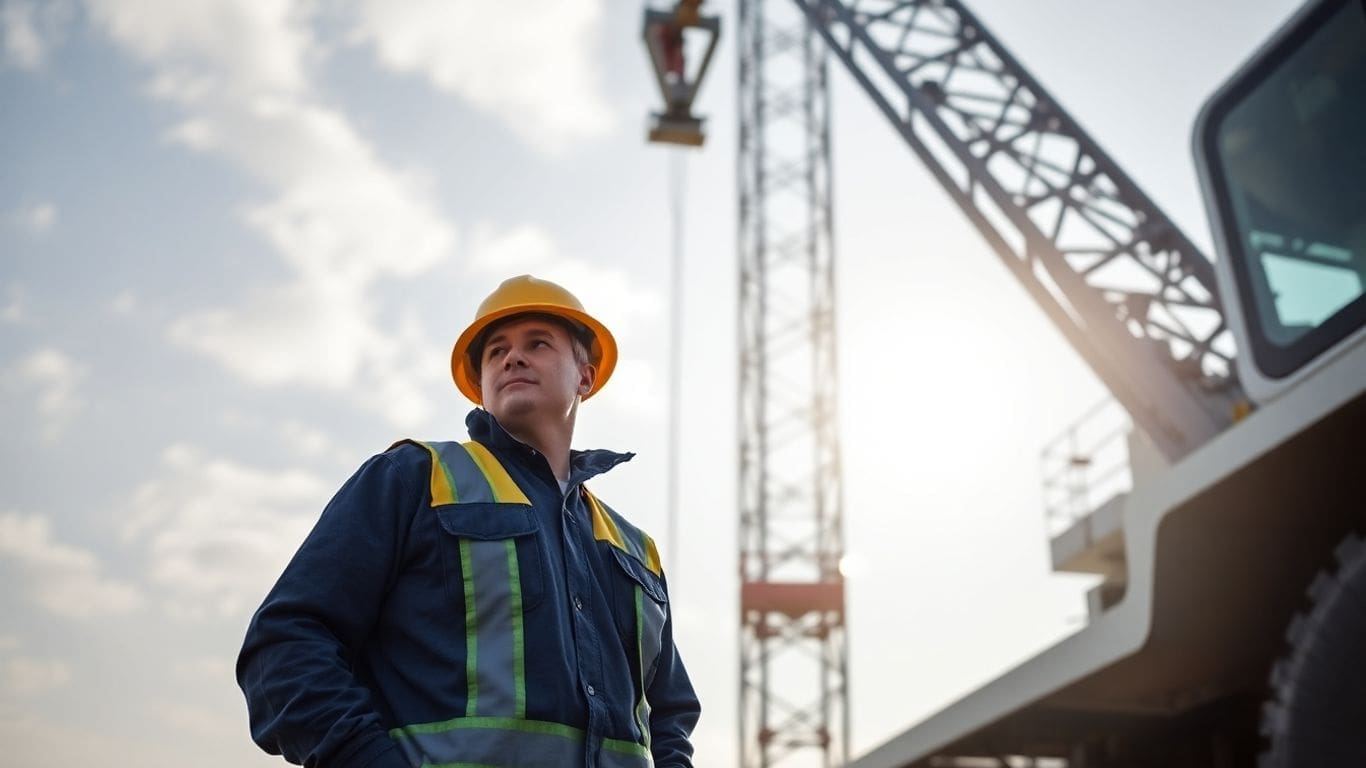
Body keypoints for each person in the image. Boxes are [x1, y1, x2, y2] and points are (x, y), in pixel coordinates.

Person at [237, 275, 700, 767]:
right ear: (479, 385)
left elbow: (668, 715)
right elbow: (286, 644)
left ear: (585, 376)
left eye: (537, 343)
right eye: (495, 350)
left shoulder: (633, 549)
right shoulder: (413, 479)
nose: (512, 358)